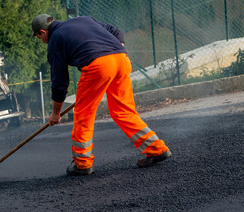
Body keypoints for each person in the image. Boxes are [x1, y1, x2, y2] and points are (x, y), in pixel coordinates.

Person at [31, 14, 171, 176]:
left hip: (98, 66)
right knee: (123, 111)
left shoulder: (55, 41)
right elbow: (116, 32)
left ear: (43, 32)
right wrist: (118, 51)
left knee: (84, 115)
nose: (41, 41)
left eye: (38, 37)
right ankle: (156, 148)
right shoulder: (83, 20)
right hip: (122, 59)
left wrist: (56, 113)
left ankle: (82, 163)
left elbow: (60, 82)